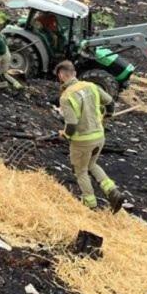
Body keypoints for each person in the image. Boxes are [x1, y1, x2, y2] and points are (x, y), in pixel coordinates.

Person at [57, 60, 125, 212]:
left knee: (81, 171)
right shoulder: (91, 86)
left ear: (61, 75)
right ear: (74, 73)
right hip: (99, 136)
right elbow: (110, 102)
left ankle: (90, 204)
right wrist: (107, 115)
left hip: (82, 141)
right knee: (92, 165)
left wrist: (65, 135)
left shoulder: (66, 97)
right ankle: (112, 191)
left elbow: (71, 125)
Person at [0, 23, 23, 90]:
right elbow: (5, 45)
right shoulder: (2, 35)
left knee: (3, 73)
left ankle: (16, 85)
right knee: (1, 71)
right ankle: (6, 84)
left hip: (3, 56)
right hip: (7, 54)